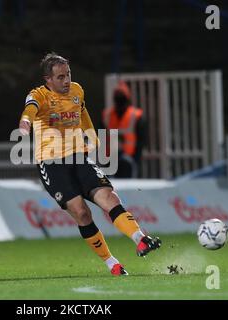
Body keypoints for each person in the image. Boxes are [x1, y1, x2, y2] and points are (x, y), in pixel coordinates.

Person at [18, 52, 161, 276]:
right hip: (51, 163)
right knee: (81, 213)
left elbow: (82, 113)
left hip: (79, 156)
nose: (66, 81)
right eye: (60, 77)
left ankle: (141, 239)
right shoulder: (39, 95)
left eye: (68, 75)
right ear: (48, 79)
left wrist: (92, 137)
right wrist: (25, 123)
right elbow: (29, 110)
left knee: (108, 197)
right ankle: (111, 263)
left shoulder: (77, 90)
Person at [102, 80, 147, 178]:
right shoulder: (107, 115)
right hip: (111, 160)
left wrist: (136, 158)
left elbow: (141, 140)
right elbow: (101, 137)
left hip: (129, 160)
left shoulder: (135, 115)